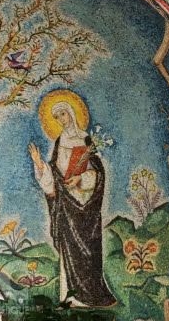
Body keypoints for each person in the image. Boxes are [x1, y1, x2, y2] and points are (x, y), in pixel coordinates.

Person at [29, 91, 115, 307]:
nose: (60, 120)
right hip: (66, 205)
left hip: (86, 206)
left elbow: (99, 174)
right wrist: (40, 165)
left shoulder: (86, 139)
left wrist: (81, 179)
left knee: (89, 250)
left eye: (63, 114)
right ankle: (72, 297)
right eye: (56, 117)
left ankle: (93, 295)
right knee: (68, 249)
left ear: (72, 114)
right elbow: (55, 176)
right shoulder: (59, 142)